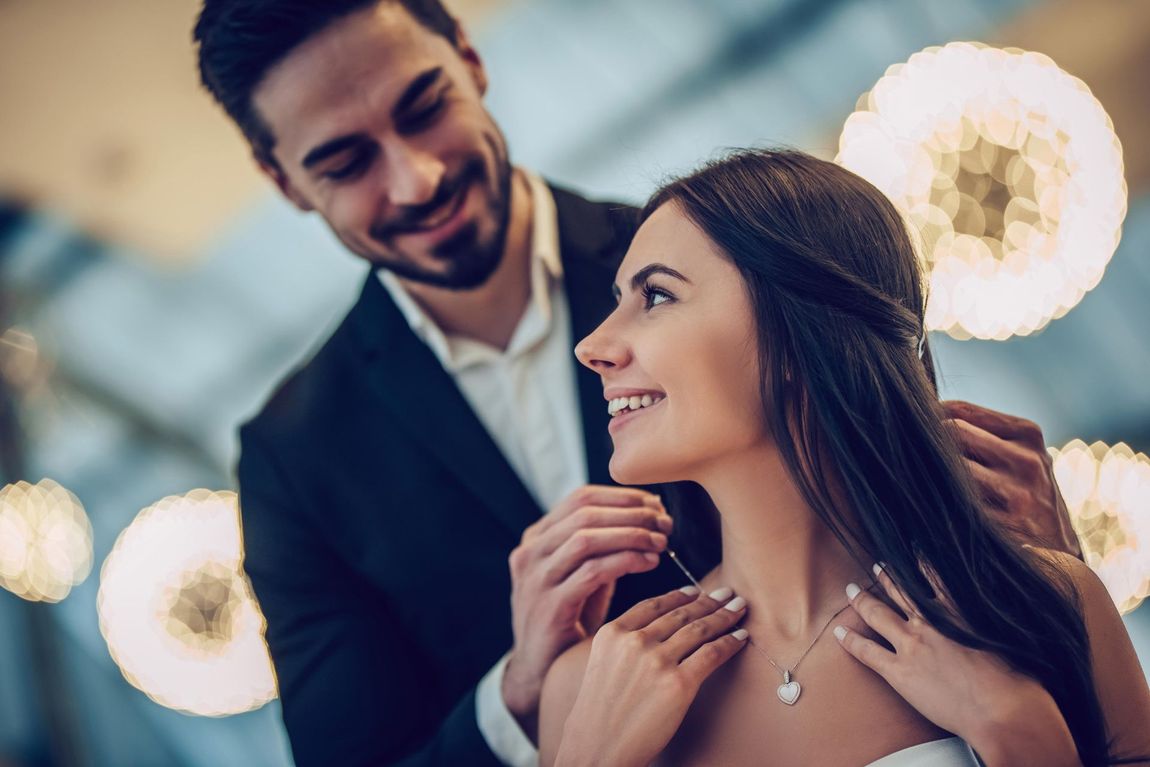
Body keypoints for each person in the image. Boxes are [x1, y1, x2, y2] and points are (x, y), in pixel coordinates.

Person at [193, 2, 1086, 764]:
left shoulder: (731, 259)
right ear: (284, 181)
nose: (416, 176)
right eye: (345, 162)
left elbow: (878, 449)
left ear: (469, 59)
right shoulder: (294, 458)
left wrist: (1034, 583)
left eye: (425, 109)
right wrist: (524, 693)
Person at [541, 149, 1150, 766]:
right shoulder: (583, 691)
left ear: (796, 330)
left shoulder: (1041, 604)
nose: (593, 346)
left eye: (658, 296)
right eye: (618, 300)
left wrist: (1017, 729)